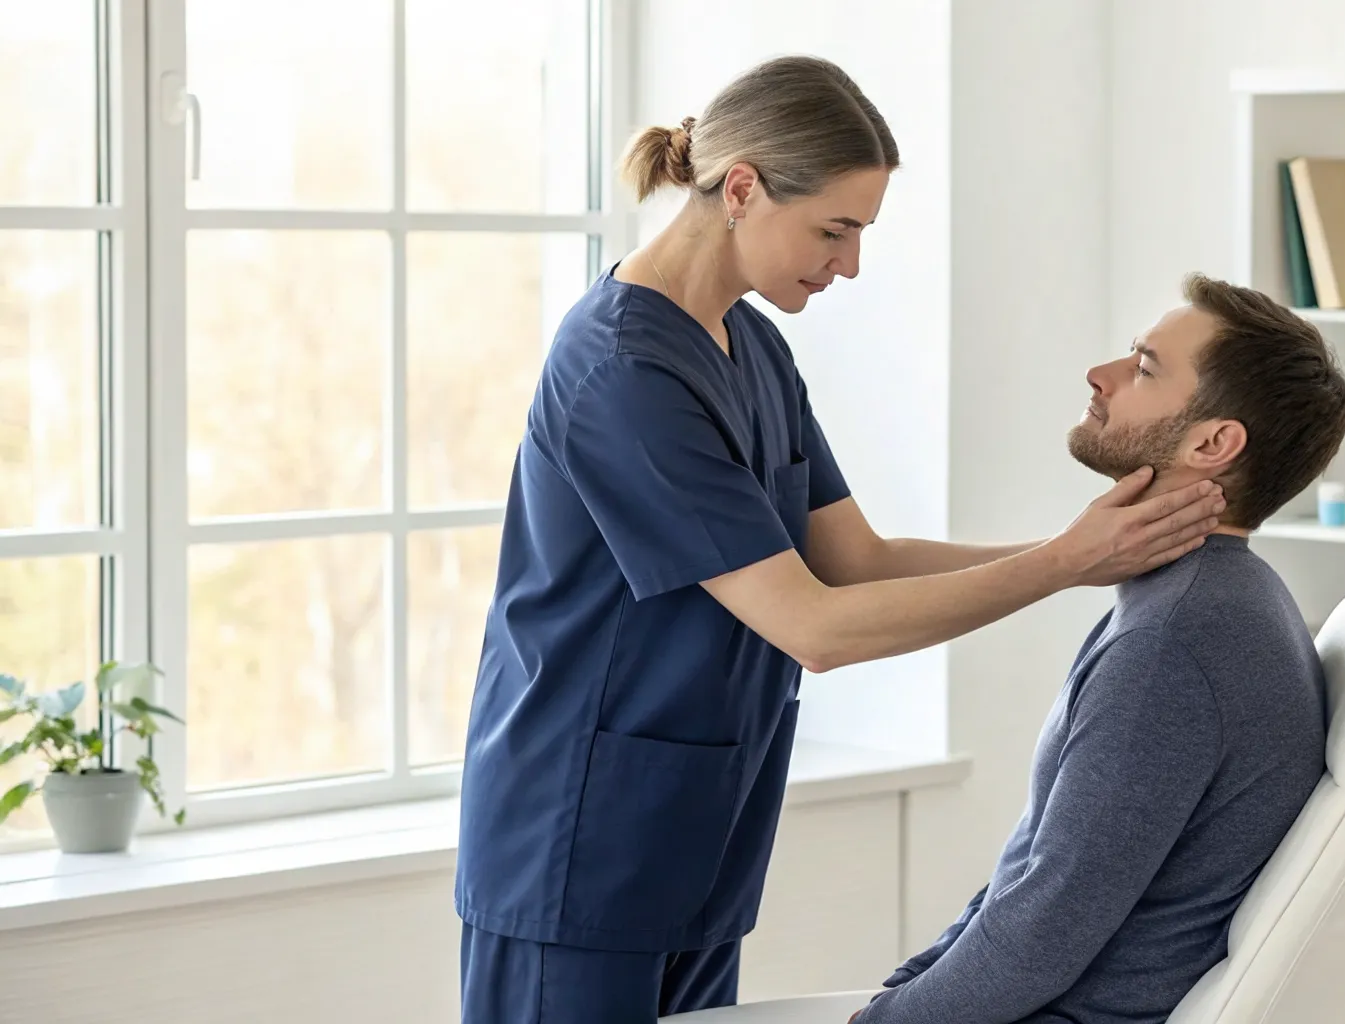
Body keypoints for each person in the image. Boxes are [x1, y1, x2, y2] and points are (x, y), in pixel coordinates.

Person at [452, 55, 1226, 1024]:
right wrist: (1066, 561)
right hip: (574, 842)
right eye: (834, 229)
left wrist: (1078, 552)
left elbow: (857, 560)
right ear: (740, 188)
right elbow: (813, 626)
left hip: (696, 834)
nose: (848, 263)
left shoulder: (753, 345)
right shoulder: (620, 370)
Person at [852, 274, 1345, 1024]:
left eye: (1145, 367)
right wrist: (902, 992)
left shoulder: (1173, 642)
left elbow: (1041, 936)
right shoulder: (1210, 596)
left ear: (1212, 443)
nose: (1101, 375)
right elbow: (1025, 882)